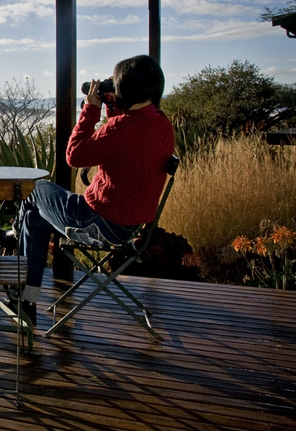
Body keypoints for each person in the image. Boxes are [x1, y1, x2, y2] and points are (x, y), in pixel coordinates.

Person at [12, 55, 175, 323]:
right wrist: (112, 106)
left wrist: (90, 109)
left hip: (97, 223)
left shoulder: (124, 127)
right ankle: (26, 300)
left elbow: (74, 155)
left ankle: (14, 235)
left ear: (124, 88)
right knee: (34, 219)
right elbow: (123, 141)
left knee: (34, 188)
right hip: (130, 227)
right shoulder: (161, 123)